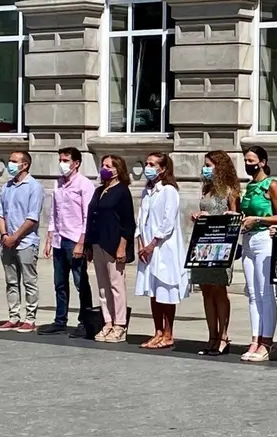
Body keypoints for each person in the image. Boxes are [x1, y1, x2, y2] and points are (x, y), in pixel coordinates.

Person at [135, 152, 191, 350]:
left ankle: (168, 333)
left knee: (165, 290)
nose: (148, 167)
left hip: (163, 247)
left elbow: (168, 222)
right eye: (147, 163)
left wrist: (152, 243)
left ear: (163, 168)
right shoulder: (147, 191)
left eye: (152, 164)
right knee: (153, 291)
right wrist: (141, 242)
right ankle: (157, 330)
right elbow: (141, 218)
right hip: (147, 248)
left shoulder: (169, 191)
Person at [39, 147, 95, 336]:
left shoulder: (84, 184)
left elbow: (87, 216)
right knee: (59, 282)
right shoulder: (58, 183)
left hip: (74, 238)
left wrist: (82, 241)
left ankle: (85, 321)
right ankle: (60, 319)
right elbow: (55, 213)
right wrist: (49, 237)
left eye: (66, 160)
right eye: (61, 160)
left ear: (76, 163)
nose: (62, 164)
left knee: (80, 281)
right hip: (59, 238)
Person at [238, 146, 277, 362]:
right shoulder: (249, 186)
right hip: (248, 238)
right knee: (251, 292)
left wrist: (258, 220)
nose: (248, 164)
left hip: (265, 238)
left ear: (263, 162)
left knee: (265, 291)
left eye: (251, 160)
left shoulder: (271, 185)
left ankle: (267, 341)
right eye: (246, 160)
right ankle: (255, 338)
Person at [192, 150, 241, 356]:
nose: (206, 168)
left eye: (209, 165)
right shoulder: (207, 188)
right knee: (206, 290)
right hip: (203, 242)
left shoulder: (230, 190)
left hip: (221, 243)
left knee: (219, 290)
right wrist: (198, 216)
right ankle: (211, 335)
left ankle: (223, 335)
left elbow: (235, 216)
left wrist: (213, 217)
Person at [85, 155, 135, 343]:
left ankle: (120, 324)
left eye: (108, 166)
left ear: (117, 170)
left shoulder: (122, 191)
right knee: (103, 286)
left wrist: (122, 247)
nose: (104, 168)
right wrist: (88, 244)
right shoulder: (99, 191)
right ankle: (107, 321)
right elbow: (91, 217)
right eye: (103, 165)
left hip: (113, 244)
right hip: (98, 242)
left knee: (116, 285)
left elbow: (127, 223)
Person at [0, 151, 43, 332]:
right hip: (7, 241)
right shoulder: (6, 187)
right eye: (10, 160)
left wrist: (16, 237)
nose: (10, 164)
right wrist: (4, 235)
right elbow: (0, 214)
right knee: (11, 281)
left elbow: (32, 217)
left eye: (14, 161)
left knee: (29, 281)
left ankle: (30, 318)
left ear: (25, 165)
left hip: (26, 241)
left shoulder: (34, 187)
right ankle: (13, 316)